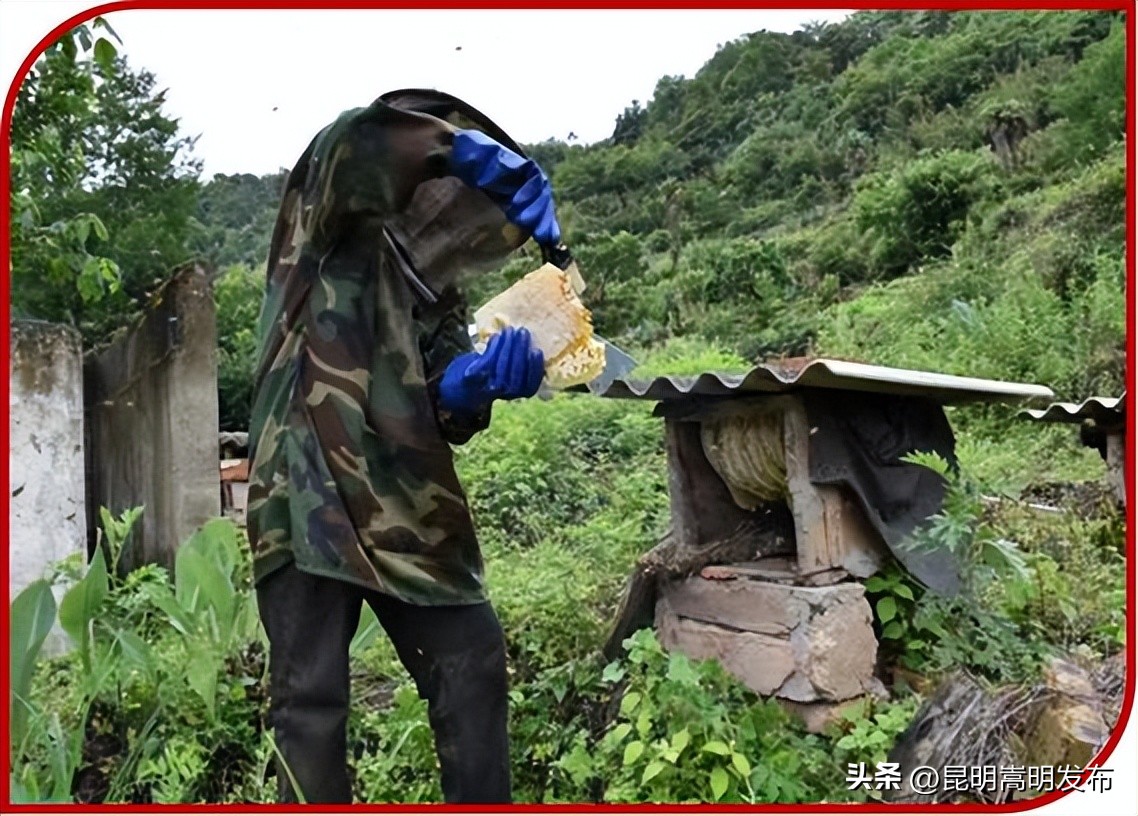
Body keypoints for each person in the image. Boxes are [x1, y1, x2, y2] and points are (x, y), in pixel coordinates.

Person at [245, 89, 564, 805]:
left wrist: (475, 386)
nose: (455, 215)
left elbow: (440, 403)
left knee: (471, 657)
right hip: (303, 490)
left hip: (402, 503)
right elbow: (356, 141)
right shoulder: (327, 218)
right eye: (446, 186)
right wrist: (464, 150)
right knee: (310, 698)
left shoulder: (435, 294)